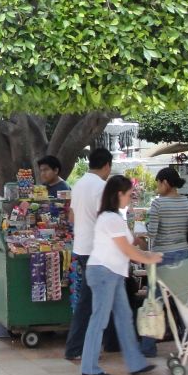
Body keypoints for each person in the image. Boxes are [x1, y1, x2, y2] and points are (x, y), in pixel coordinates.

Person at [80, 175, 162, 375]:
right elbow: (127, 249)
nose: (130, 198)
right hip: (104, 273)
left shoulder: (115, 218)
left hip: (113, 273)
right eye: (128, 194)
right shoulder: (110, 219)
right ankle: (89, 367)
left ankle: (136, 363)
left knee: (124, 317)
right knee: (99, 319)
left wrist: (145, 252)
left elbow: (129, 245)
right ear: (118, 194)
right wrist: (149, 258)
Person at [139, 166, 188, 357]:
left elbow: (152, 233)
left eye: (158, 183)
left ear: (165, 183)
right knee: (186, 300)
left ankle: (148, 346)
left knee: (154, 302)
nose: (157, 187)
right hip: (184, 254)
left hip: (162, 256)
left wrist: (145, 225)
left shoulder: (158, 205)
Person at [63, 147, 113, 360]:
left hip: (82, 248)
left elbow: (72, 218)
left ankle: (102, 344)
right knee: (94, 301)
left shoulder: (79, 184)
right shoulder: (103, 187)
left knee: (90, 298)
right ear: (107, 166)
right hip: (98, 250)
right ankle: (83, 348)